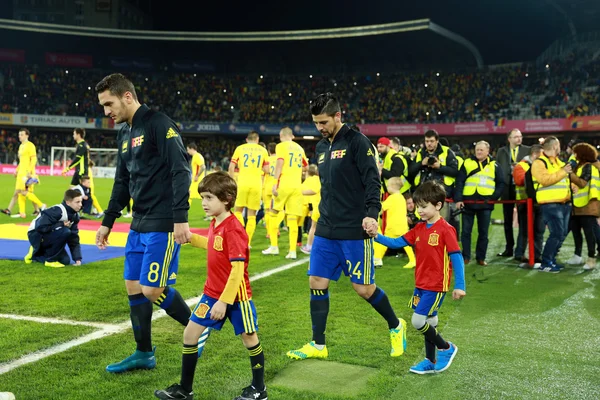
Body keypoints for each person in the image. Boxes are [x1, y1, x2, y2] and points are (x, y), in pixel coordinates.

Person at [287, 93, 406, 361]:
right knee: (316, 281)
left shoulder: (357, 142)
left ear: (338, 116)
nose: (320, 127)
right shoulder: (319, 147)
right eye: (316, 122)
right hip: (327, 227)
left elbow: (373, 181)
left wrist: (372, 214)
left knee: (363, 289)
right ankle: (318, 344)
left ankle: (397, 326)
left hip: (354, 229)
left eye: (324, 121)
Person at [94, 73, 193, 373]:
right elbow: (122, 182)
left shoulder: (159, 124)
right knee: (133, 286)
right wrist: (107, 221)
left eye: (108, 103)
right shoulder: (124, 133)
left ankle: (197, 329)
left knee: (152, 289)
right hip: (138, 222)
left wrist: (180, 219)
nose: (106, 112)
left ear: (127, 96)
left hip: (162, 222)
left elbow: (181, 171)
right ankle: (143, 353)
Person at [154, 172, 267, 400]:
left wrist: (224, 302)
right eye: (202, 197)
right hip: (211, 294)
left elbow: (237, 270)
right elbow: (215, 246)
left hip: (237, 298)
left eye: (208, 198)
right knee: (190, 333)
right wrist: (191, 238)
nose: (203, 203)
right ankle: (185, 390)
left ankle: (259, 389)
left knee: (249, 338)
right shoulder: (217, 222)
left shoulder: (234, 228)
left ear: (226, 198)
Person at [369, 180, 466, 374]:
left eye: (423, 206)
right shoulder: (419, 229)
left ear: (438, 205)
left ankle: (446, 347)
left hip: (436, 285)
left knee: (417, 321)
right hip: (420, 284)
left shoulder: (446, 229)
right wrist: (376, 235)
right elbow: (396, 242)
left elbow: (456, 257)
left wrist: (460, 285)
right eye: (417, 206)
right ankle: (430, 361)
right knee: (430, 322)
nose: (418, 210)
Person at [454, 141, 505, 266]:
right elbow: (459, 182)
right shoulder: (467, 163)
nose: (479, 152)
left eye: (482, 150)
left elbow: (501, 183)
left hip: (485, 204)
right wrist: (459, 199)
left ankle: (480, 258)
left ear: (488, 152)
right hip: (468, 203)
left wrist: (493, 197)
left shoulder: (495, 165)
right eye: (477, 149)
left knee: (483, 232)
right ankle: (466, 257)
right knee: (466, 232)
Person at [262, 127, 307, 259]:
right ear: (292, 136)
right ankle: (292, 251)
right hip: (296, 186)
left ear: (281, 136)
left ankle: (274, 247)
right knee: (292, 218)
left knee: (273, 213)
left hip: (284, 184)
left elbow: (279, 164)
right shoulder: (300, 148)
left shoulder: (281, 146)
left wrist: (275, 182)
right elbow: (305, 166)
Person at [531, 136, 574, 273]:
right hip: (550, 203)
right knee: (556, 233)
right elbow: (544, 180)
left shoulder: (558, 162)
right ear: (555, 146)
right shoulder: (539, 163)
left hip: (564, 203)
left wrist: (572, 186)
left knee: (561, 234)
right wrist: (563, 172)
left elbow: (563, 180)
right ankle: (546, 262)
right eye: (559, 145)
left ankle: (551, 259)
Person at [408, 129, 460, 237]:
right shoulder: (421, 153)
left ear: (437, 141)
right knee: (423, 226)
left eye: (431, 141)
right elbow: (411, 172)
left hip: (441, 195)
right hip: (424, 196)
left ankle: (440, 251)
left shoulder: (447, 152)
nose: (429, 144)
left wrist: (439, 167)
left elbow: (455, 171)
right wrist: (421, 164)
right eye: (427, 141)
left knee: (440, 227)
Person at [229, 132, 269, 247]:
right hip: (256, 185)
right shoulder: (263, 150)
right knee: (252, 215)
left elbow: (231, 166)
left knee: (238, 211)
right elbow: (266, 170)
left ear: (247, 139)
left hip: (242, 183)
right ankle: (247, 242)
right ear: (257, 139)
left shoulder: (240, 148)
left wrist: (231, 181)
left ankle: (240, 236)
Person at [25, 189, 83, 268]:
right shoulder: (56, 211)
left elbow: (73, 237)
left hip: (49, 235)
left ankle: (35, 254)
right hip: (36, 234)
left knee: (65, 261)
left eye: (81, 201)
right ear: (68, 202)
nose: (80, 205)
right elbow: (40, 227)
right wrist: (61, 224)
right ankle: (50, 260)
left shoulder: (75, 216)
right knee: (65, 231)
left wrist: (77, 258)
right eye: (77, 202)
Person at [496, 129, 530, 257]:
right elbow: (498, 169)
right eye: (516, 137)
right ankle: (509, 248)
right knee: (507, 220)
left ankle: (520, 250)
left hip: (521, 188)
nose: (519, 139)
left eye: (520, 136)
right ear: (509, 139)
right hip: (507, 188)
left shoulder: (527, 150)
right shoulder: (501, 151)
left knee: (523, 220)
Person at [567, 143, 599, 270]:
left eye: (576, 153)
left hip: (588, 205)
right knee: (575, 230)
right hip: (577, 205)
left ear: (582, 154)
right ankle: (577, 255)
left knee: (589, 233)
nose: (574, 155)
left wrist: (570, 174)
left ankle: (591, 259)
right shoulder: (579, 166)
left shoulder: (589, 167)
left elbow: (582, 183)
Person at [1, 128, 46, 218]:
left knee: (23, 191)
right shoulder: (21, 146)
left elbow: (34, 159)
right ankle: (22, 212)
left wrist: (29, 171)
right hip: (21, 172)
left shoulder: (30, 145)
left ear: (27, 135)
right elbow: (22, 161)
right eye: (19, 135)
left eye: (21, 134)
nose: (19, 136)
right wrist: (17, 170)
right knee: (19, 192)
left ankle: (41, 205)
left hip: (26, 172)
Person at [373, 177, 416, 269]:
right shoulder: (401, 197)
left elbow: (382, 207)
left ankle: (377, 259)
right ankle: (413, 260)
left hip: (393, 226)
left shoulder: (392, 198)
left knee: (383, 242)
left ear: (392, 187)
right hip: (402, 225)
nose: (387, 188)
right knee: (406, 243)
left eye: (388, 186)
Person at [512, 145, 544, 267]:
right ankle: (519, 254)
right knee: (525, 230)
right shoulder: (521, 166)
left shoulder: (538, 166)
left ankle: (536, 255)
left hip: (540, 202)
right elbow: (520, 181)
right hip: (525, 203)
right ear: (535, 154)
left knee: (539, 230)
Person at [300, 164, 321, 255]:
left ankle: (309, 246)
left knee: (313, 227)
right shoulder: (319, 178)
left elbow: (313, 191)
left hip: (315, 205)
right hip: (322, 205)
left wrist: (298, 192)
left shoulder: (308, 181)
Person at [262, 142, 277, 238]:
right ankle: (276, 230)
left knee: (267, 211)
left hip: (267, 187)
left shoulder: (266, 159)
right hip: (276, 187)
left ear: (268, 151)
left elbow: (262, 174)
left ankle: (269, 232)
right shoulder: (281, 160)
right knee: (276, 211)